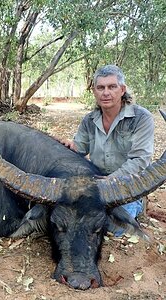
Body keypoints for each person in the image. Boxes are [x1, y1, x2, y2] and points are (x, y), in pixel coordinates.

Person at [61, 64, 154, 235]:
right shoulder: (89, 120)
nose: (106, 92)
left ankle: (139, 205)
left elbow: (140, 160)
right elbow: (79, 149)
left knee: (114, 229)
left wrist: (111, 181)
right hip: (95, 183)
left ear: (122, 89)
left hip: (127, 186)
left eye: (112, 87)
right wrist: (67, 147)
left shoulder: (142, 118)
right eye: (100, 87)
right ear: (94, 91)